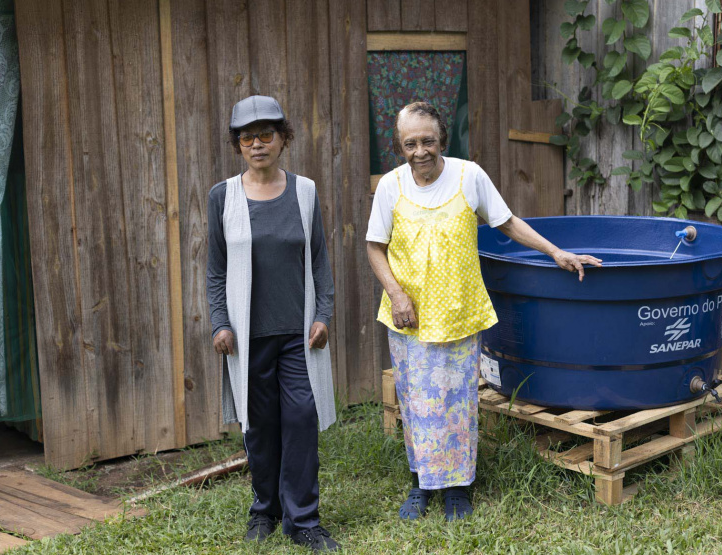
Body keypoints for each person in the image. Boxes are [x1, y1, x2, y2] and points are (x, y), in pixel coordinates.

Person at [366, 101, 602, 521]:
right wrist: (396, 294)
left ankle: (458, 487)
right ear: (400, 146)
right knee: (417, 400)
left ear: (443, 139)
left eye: (428, 141)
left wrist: (555, 252)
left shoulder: (468, 176)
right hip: (409, 315)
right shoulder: (391, 185)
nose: (420, 151)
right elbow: (374, 247)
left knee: (458, 401)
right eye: (410, 143)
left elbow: (507, 222)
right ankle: (421, 484)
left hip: (459, 309)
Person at [207, 95, 339, 552]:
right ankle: (265, 510)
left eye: (267, 134)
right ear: (237, 144)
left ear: (284, 138)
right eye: (247, 137)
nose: (257, 143)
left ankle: (304, 520)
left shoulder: (305, 191)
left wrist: (323, 313)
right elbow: (216, 269)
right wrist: (220, 323)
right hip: (247, 337)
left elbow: (319, 259)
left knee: (301, 418)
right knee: (259, 426)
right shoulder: (222, 197)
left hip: (297, 336)